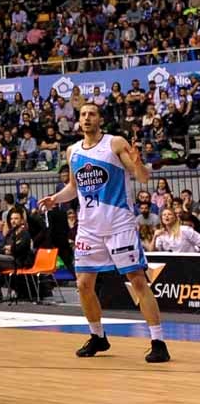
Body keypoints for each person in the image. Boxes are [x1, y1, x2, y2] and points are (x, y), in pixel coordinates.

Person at [39, 103, 169, 363]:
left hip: (119, 224)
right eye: (83, 114)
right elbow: (73, 187)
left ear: (100, 119)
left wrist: (139, 163)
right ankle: (98, 336)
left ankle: (158, 342)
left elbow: (141, 178)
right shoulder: (72, 151)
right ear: (79, 120)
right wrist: (55, 198)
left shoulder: (115, 143)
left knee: (138, 281)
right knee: (83, 284)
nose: (87, 118)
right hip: (88, 228)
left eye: (92, 114)